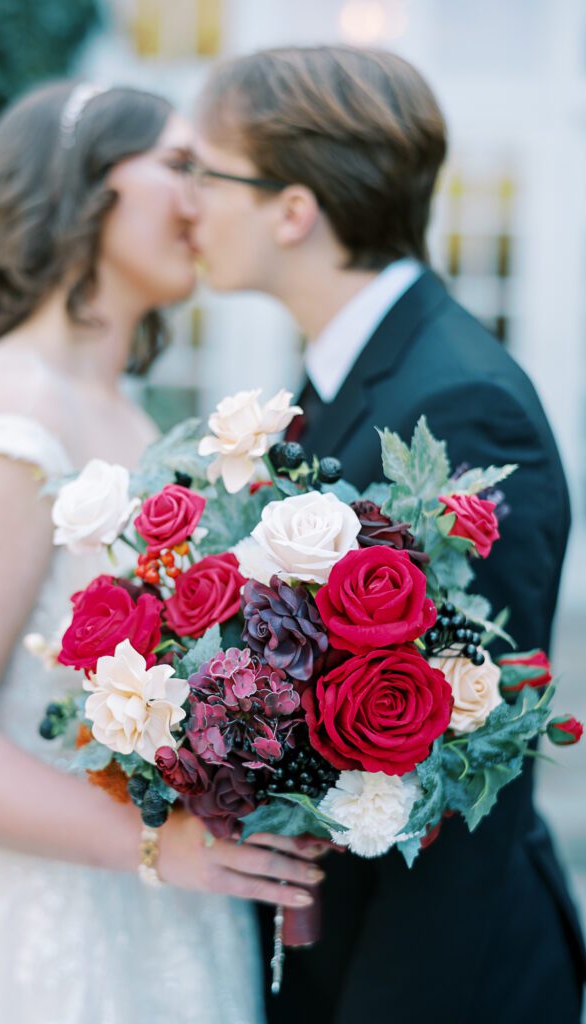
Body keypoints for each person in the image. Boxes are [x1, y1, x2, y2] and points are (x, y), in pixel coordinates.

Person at [0, 80, 328, 1024]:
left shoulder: (127, 414)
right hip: (23, 935)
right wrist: (158, 847)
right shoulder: (5, 417)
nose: (204, 199)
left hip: (167, 923)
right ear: (83, 185)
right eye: (180, 166)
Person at [190, 45, 586, 1024]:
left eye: (205, 170)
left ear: (292, 210)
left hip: (428, 977)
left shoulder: (457, 404)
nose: (187, 202)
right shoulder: (354, 373)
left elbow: (462, 784)